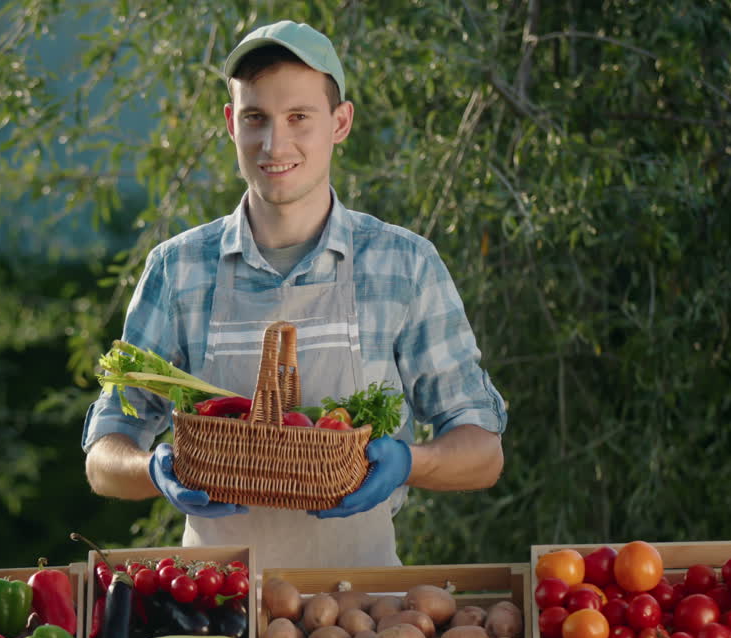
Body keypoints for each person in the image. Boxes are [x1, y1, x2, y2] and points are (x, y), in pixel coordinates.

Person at [80, 20, 507, 569]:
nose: (274, 143)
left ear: (340, 122)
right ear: (232, 123)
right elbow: (103, 455)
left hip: (358, 613)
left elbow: (483, 455)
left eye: (299, 117)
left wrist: (409, 462)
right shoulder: (178, 269)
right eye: (256, 117)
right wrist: (156, 469)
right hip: (215, 609)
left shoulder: (403, 265)